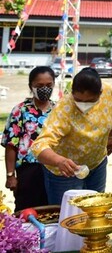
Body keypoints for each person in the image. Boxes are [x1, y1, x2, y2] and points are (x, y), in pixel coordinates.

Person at [31, 68, 112, 205]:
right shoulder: (64, 109)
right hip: (66, 173)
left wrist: (111, 137)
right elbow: (38, 146)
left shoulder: (107, 91)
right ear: (72, 93)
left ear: (99, 94)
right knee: (67, 216)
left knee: (95, 210)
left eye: (90, 101)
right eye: (78, 100)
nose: (83, 105)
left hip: (97, 163)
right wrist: (60, 161)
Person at [1, 66, 56, 211]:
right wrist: (10, 175)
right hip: (28, 172)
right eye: (39, 86)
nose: (45, 89)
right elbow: (11, 145)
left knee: (53, 213)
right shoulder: (20, 110)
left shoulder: (59, 110)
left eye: (49, 85)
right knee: (26, 214)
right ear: (31, 86)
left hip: (55, 171)